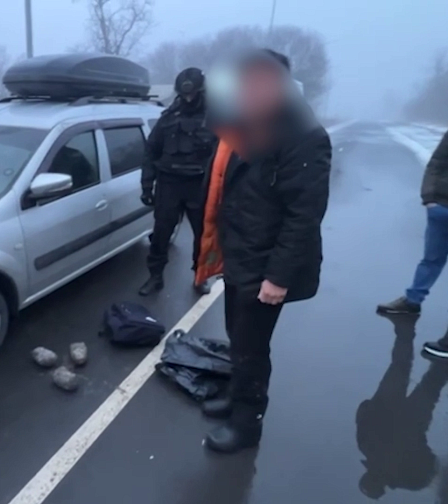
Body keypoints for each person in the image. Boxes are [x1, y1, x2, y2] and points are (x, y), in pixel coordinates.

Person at [195, 49, 332, 453]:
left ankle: (247, 424)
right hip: (239, 255)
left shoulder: (305, 136)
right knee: (236, 338)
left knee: (252, 349)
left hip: (267, 265)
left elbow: (304, 216)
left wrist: (278, 278)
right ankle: (235, 397)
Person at [377, 67, 448, 340]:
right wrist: (430, 198)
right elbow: (437, 161)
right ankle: (412, 301)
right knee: (430, 260)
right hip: (442, 207)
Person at [139, 68, 217, 296]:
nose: (188, 98)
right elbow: (151, 152)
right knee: (160, 235)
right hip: (169, 184)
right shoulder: (168, 118)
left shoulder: (216, 118)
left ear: (201, 91)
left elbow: (227, 156)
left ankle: (200, 277)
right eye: (184, 95)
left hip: (200, 186)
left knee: (203, 236)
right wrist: (147, 186)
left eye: (192, 94)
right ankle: (155, 277)